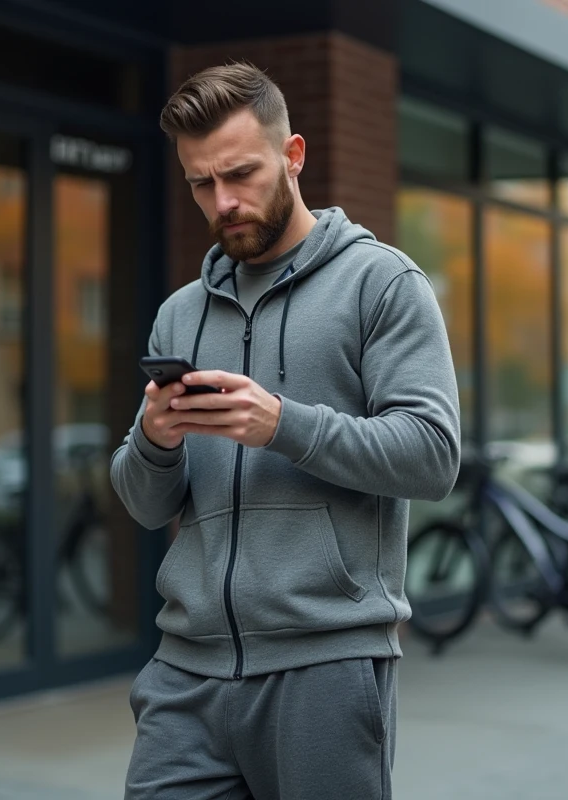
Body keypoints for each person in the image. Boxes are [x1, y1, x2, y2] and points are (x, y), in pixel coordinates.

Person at [109, 61, 462, 800]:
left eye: (241, 174)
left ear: (293, 154)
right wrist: (154, 441)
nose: (223, 202)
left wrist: (282, 425)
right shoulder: (180, 313)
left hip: (324, 666)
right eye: (201, 183)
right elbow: (145, 506)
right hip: (186, 673)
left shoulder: (381, 284)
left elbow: (432, 456)